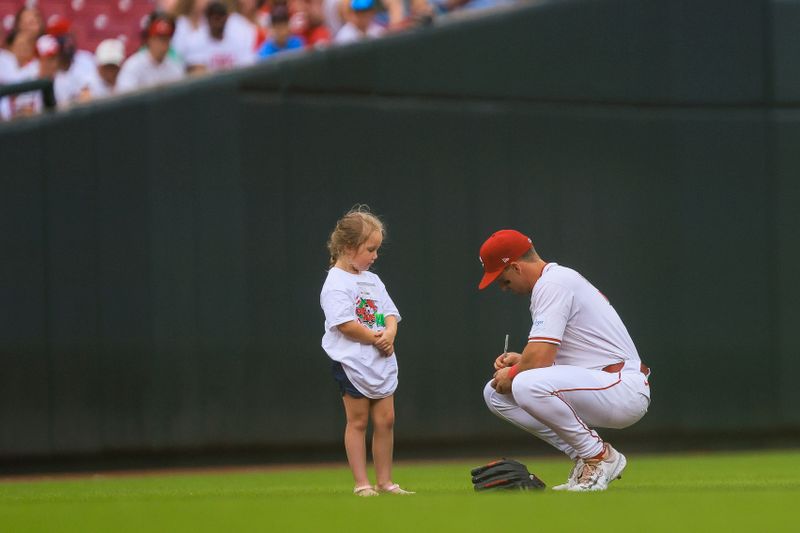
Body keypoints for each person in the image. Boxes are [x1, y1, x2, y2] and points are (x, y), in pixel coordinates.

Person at [478, 229, 651, 492]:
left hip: (621, 386)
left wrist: (516, 370)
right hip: (599, 380)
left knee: (524, 383)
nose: (503, 289)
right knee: (495, 394)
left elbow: (539, 361)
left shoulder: (553, 284)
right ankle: (585, 457)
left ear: (515, 266)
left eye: (503, 281)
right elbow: (551, 356)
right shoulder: (554, 281)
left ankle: (599, 457)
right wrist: (521, 361)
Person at [320, 206, 413, 497]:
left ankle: (385, 481)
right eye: (370, 249)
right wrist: (375, 338)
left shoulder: (372, 280)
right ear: (349, 248)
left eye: (377, 250)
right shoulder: (335, 283)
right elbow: (345, 324)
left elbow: (389, 313)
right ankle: (362, 483)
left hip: (380, 358)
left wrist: (389, 334)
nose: (375, 256)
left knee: (386, 420)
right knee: (358, 421)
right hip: (353, 362)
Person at [116, 12, 185, 93]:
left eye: (166, 39)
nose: (162, 44)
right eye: (158, 39)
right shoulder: (133, 66)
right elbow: (124, 99)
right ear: (149, 39)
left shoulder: (175, 68)